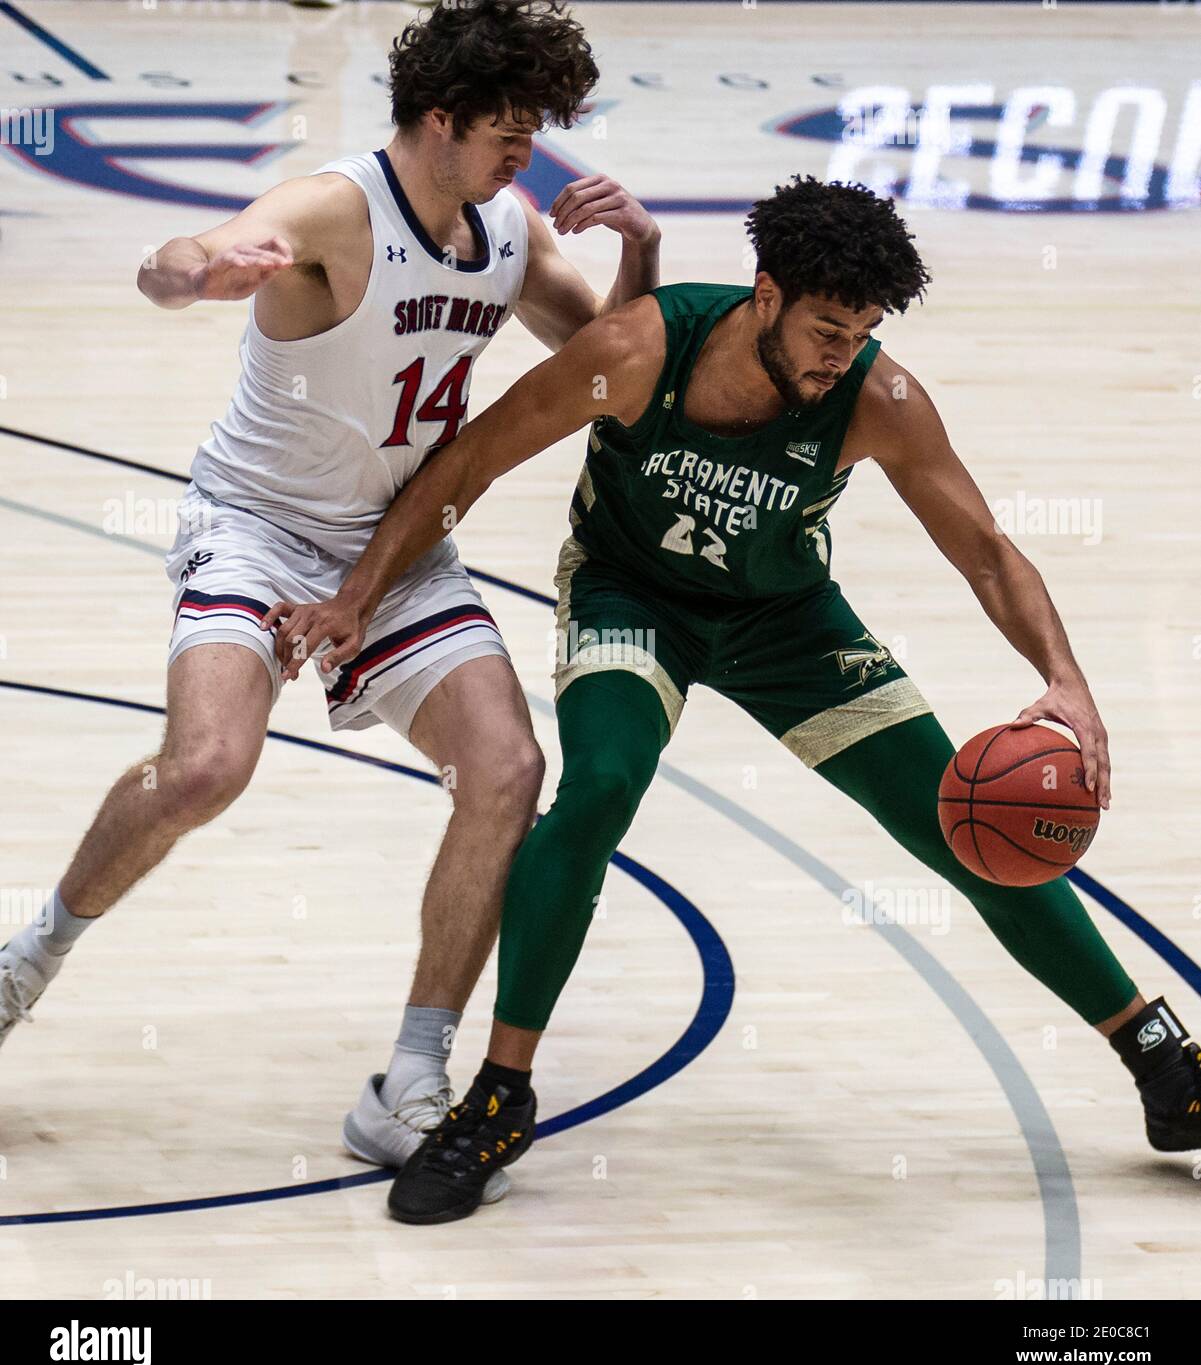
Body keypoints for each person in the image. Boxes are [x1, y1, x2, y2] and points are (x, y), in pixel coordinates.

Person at [263, 175, 1201, 1226]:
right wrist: (356, 594)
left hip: (784, 622)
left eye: (859, 335)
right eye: (825, 329)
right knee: (599, 787)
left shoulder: (878, 400)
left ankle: (1159, 1060)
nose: (837, 355)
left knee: (967, 818)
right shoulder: (637, 351)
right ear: (764, 295)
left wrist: (1064, 677)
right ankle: (500, 1092)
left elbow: (983, 550)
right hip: (633, 593)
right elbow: (468, 460)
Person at [0, 0, 661, 1199]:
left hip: (402, 548)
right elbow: (179, 260)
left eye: (535, 133)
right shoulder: (332, 210)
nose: (527, 154)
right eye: (509, 132)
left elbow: (616, 354)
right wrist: (201, 270)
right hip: (255, 529)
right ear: (441, 119)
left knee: (508, 770)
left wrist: (644, 250)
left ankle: (409, 1081)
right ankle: (22, 967)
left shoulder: (506, 231)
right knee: (205, 767)